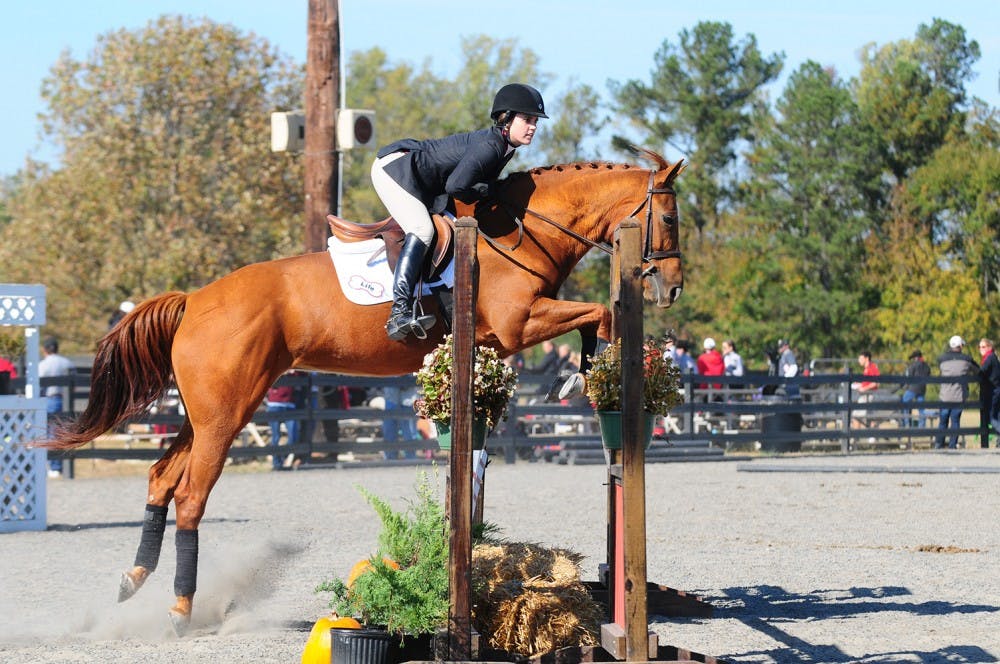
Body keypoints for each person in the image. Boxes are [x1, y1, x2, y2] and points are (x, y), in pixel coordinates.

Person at [371, 83, 547, 340]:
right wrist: (489, 190)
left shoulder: (505, 147)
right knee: (422, 230)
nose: (533, 127)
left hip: (423, 181)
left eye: (535, 121)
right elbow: (456, 186)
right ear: (506, 118)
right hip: (396, 169)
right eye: (527, 120)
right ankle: (399, 312)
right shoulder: (491, 146)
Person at [39, 337, 75, 477]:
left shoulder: (43, 365)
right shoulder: (67, 362)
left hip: (50, 399)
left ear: (45, 350)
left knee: (49, 432)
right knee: (61, 432)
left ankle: (53, 465)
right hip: (65, 400)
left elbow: (39, 385)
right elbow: (74, 381)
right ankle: (58, 465)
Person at [934, 335, 979, 449]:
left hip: (944, 396)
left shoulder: (942, 359)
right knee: (955, 421)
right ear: (960, 346)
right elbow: (978, 371)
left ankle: (939, 444)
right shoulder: (966, 359)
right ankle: (952, 445)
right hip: (959, 396)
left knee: (943, 421)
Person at [265, 371, 301, 470]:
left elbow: (304, 373)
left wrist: (293, 371)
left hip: (289, 405)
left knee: (293, 436)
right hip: (274, 405)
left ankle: (281, 456)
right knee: (276, 436)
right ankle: (276, 463)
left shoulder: (294, 373)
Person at [900, 349, 930, 429]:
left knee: (904, 403)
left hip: (913, 388)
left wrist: (905, 386)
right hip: (922, 389)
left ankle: (906, 424)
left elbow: (909, 377)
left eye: (913, 358)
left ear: (916, 357)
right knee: (921, 408)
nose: (913, 359)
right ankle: (922, 426)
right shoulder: (926, 366)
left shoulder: (913, 365)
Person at [850, 351, 880, 429]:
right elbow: (869, 382)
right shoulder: (867, 368)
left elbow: (876, 383)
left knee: (856, 416)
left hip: (868, 395)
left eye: (861, 358)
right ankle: (872, 434)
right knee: (869, 418)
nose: (859, 360)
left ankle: (855, 436)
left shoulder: (871, 367)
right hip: (867, 394)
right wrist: (860, 384)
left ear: (866, 358)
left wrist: (864, 388)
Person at [978, 338, 1000, 441]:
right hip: (996, 391)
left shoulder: (989, 358)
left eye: (983, 347)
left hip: (993, 392)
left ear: (989, 347)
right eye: (979, 347)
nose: (981, 349)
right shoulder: (992, 357)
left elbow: (982, 371)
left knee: (990, 418)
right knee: (997, 416)